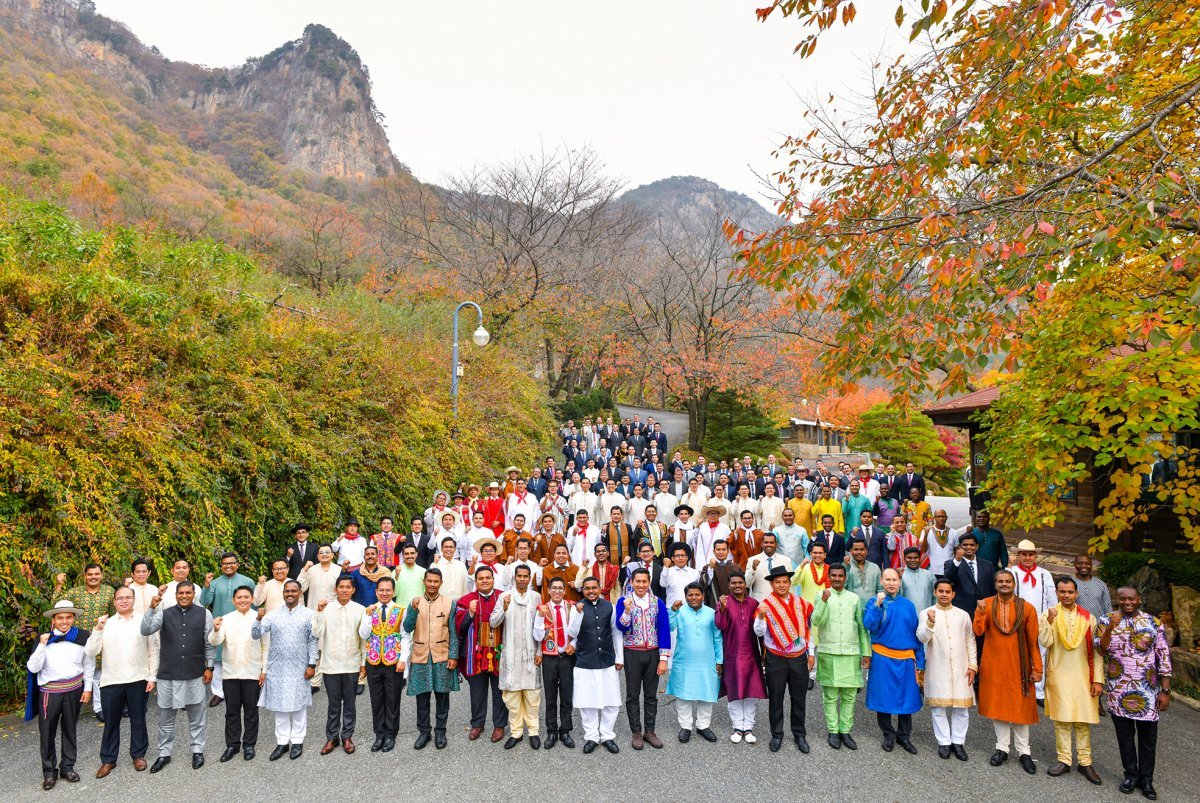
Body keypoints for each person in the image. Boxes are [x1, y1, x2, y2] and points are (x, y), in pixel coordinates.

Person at [1097, 587, 1173, 799]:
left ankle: (1147, 780)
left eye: (1131, 598)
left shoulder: (1153, 622)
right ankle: (1130, 774)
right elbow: (1101, 650)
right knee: (1125, 737)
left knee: (1148, 739)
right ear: (1117, 600)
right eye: (1123, 599)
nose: (1127, 602)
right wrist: (1110, 628)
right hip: (1118, 690)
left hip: (1148, 691)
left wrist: (1165, 690)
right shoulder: (1105, 620)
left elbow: (1163, 656)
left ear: (1138, 599)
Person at [140, 582, 215, 773]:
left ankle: (197, 750)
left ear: (193, 594)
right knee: (166, 718)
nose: (184, 596)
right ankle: (164, 753)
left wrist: (210, 667)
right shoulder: (164, 613)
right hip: (169, 673)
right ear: (175, 594)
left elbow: (209, 643)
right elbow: (145, 629)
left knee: (197, 716)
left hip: (194, 672)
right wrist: (152, 607)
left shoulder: (204, 614)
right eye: (180, 593)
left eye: (188, 592)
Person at [974, 569, 1042, 775]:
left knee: (1020, 708)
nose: (1004, 584)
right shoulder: (986, 603)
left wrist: (1037, 668)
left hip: (1019, 666)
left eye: (1008, 581)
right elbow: (978, 631)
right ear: (995, 584)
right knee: (999, 706)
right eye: (1000, 581)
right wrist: (980, 612)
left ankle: (1024, 752)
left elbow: (1033, 641)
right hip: (994, 664)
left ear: (1014, 584)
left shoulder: (1027, 608)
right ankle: (1002, 748)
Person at [85, 585, 157, 778]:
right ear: (114, 601)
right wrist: (98, 629)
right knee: (111, 722)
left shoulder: (144, 620)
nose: (124, 601)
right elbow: (91, 652)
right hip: (111, 680)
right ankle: (108, 760)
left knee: (138, 719)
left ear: (133, 600)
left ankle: (138, 755)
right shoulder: (106, 624)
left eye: (128, 597)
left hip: (138, 678)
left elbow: (153, 649)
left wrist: (152, 676)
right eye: (120, 598)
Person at [1040, 577, 1103, 784]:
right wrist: (1049, 621)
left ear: (1076, 594)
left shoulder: (1089, 618)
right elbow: (1045, 641)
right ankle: (1064, 760)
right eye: (1062, 592)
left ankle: (1085, 762)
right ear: (1057, 593)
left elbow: (1097, 651)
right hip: (1059, 674)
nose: (1066, 595)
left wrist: (1098, 680)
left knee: (1082, 721)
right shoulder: (1049, 614)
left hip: (1084, 675)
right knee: (1062, 720)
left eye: (1070, 592)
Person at [27, 600, 94, 790]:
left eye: (68, 617)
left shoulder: (81, 637)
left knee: (70, 730)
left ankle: (67, 767)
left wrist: (88, 688)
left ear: (73, 618)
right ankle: (49, 772)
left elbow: (88, 664)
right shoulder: (44, 639)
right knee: (47, 733)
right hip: (51, 692)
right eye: (60, 618)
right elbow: (33, 667)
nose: (64, 621)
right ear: (53, 620)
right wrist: (41, 645)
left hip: (74, 690)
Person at [254, 579, 319, 761]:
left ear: (299, 593)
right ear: (283, 594)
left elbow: (313, 640)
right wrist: (258, 619)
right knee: (280, 708)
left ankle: (297, 742)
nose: (290, 594)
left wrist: (312, 664)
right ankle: (282, 742)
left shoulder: (309, 614)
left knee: (298, 707)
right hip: (278, 668)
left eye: (293, 591)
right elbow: (256, 634)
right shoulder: (273, 615)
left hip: (300, 666)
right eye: (287, 591)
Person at [754, 565, 815, 754]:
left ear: (790, 583)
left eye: (785, 582)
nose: (782, 585)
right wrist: (762, 616)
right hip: (776, 658)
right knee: (776, 698)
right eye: (778, 582)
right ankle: (777, 734)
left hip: (798, 657)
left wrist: (811, 652)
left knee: (799, 698)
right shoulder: (765, 605)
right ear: (771, 584)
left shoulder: (802, 603)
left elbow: (808, 630)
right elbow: (759, 632)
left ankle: (799, 735)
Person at [864, 568, 924, 754]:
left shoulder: (908, 605)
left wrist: (920, 662)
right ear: (881, 581)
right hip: (882, 657)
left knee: (907, 698)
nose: (891, 583)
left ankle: (904, 736)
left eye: (894, 579)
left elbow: (917, 635)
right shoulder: (874, 602)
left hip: (906, 658)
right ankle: (888, 734)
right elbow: (868, 625)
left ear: (899, 582)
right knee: (884, 697)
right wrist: (877, 607)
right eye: (887, 579)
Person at [917, 578, 977, 761]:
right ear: (934, 592)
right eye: (940, 591)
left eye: (947, 591)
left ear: (953, 594)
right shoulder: (926, 613)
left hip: (961, 666)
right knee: (939, 707)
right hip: (937, 665)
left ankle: (958, 742)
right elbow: (921, 638)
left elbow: (970, 640)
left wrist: (973, 665)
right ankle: (944, 742)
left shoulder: (963, 615)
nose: (944, 594)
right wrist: (930, 624)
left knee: (961, 708)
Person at [811, 564, 869, 751]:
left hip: (851, 652)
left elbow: (861, 626)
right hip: (829, 651)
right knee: (830, 696)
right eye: (833, 575)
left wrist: (866, 652)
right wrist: (824, 602)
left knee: (850, 695)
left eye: (840, 576)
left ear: (845, 578)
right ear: (829, 577)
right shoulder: (821, 595)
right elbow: (816, 621)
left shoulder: (854, 598)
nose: (837, 578)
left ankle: (845, 730)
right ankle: (833, 731)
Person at [615, 567, 672, 750]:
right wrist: (627, 611)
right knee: (632, 694)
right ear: (631, 582)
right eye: (637, 581)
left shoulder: (657, 602)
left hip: (653, 653)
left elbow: (664, 629)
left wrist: (663, 658)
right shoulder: (624, 601)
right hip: (632, 652)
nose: (641, 585)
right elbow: (621, 627)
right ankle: (636, 732)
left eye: (644, 581)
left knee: (650, 694)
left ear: (648, 583)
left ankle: (650, 730)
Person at [403, 568, 460, 749]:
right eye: (429, 581)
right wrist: (412, 610)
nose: (432, 584)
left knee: (442, 696)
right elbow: (407, 627)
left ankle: (440, 732)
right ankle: (424, 732)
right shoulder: (415, 602)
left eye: (436, 581)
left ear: (441, 583)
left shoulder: (449, 603)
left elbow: (453, 631)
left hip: (442, 655)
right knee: (422, 697)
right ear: (424, 582)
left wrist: (453, 655)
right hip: (420, 655)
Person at [207, 584, 263, 763]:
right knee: (231, 711)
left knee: (251, 710)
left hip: (252, 672)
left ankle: (249, 744)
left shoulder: (259, 618)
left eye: (246, 597)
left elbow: (267, 646)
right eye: (239, 597)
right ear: (233, 600)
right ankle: (232, 745)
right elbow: (215, 641)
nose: (243, 600)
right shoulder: (226, 619)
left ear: (252, 599)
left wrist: (264, 670)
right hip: (230, 672)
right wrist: (215, 629)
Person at [568, 576, 624, 754]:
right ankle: (591, 736)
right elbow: (572, 633)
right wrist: (578, 614)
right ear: (582, 590)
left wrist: (619, 657)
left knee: (611, 700)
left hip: (607, 659)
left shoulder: (610, 606)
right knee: (587, 701)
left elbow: (616, 633)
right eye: (587, 589)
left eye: (594, 588)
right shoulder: (576, 608)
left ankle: (607, 735)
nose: (591, 591)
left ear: (600, 588)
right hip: (585, 660)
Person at [491, 564, 543, 749]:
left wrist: (539, 652)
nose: (522, 579)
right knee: (512, 697)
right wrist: (503, 608)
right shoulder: (504, 597)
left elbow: (540, 626)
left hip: (530, 655)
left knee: (532, 695)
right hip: (510, 654)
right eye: (519, 576)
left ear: (529, 578)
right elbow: (493, 622)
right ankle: (516, 732)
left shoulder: (536, 597)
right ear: (514, 577)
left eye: (525, 576)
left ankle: (534, 732)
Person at [313, 576, 366, 755]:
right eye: (341, 587)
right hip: (331, 665)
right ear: (336, 589)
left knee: (350, 703)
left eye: (347, 587)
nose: (344, 590)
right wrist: (319, 613)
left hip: (351, 664)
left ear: (353, 590)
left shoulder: (360, 610)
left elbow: (364, 640)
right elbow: (316, 632)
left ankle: (347, 736)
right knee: (333, 704)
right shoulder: (326, 609)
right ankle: (332, 737)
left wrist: (363, 663)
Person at [53, 563, 113, 718]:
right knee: (80, 671)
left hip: (100, 638)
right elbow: (56, 604)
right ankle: (71, 707)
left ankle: (99, 708)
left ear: (101, 575)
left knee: (99, 674)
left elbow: (114, 615)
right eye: (90, 574)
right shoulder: (75, 593)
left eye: (96, 574)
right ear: (85, 576)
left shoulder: (109, 592)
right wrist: (59, 584)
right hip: (79, 639)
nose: (93, 577)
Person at [456, 565, 508, 742]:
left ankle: (499, 725)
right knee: (477, 691)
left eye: (488, 577)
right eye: (481, 578)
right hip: (475, 654)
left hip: (498, 652)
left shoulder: (503, 597)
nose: (485, 580)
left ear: (493, 579)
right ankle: (477, 724)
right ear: (475, 581)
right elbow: (459, 628)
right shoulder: (466, 600)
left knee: (499, 691)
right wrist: (470, 612)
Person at [358, 577, 409, 753]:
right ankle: (379, 734)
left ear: (393, 592)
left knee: (393, 699)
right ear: (376, 591)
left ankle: (390, 734)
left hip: (393, 661)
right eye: (381, 590)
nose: (385, 593)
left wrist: (403, 660)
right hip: (373, 661)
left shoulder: (401, 610)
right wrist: (367, 616)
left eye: (388, 590)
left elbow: (406, 636)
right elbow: (363, 634)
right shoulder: (369, 610)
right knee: (376, 699)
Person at [667, 582, 723, 742]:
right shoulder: (680, 611)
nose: (694, 597)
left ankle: (703, 725)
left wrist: (719, 660)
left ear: (703, 596)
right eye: (690, 595)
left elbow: (717, 637)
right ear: (685, 597)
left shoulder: (712, 613)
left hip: (707, 661)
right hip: (684, 661)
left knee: (706, 693)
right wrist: (672, 611)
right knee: (683, 694)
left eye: (697, 594)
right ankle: (685, 726)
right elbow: (670, 627)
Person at [715, 571, 766, 743]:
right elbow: (720, 625)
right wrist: (721, 609)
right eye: (734, 583)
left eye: (740, 583)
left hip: (752, 654)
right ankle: (737, 727)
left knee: (752, 691)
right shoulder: (724, 602)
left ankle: (749, 727)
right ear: (729, 585)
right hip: (732, 654)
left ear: (745, 584)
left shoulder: (754, 603)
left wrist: (764, 653)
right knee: (734, 691)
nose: (737, 585)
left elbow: (760, 631)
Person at [200, 552, 254, 708]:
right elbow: (205, 602)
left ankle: (242, 687)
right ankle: (218, 693)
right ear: (221, 566)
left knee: (242, 652)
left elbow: (254, 603)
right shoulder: (215, 583)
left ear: (237, 564)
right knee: (218, 659)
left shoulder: (247, 581)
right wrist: (206, 586)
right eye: (225, 563)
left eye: (231, 563)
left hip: (243, 624)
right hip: (221, 623)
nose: (228, 566)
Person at [1012, 539, 1055, 701]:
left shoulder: (1045, 574)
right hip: (1019, 621)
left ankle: (1039, 692)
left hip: (1041, 620)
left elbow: (1051, 599)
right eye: (1024, 554)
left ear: (1035, 556)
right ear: (1019, 555)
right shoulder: (1013, 572)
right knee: (1019, 653)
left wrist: (1051, 619)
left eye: (1031, 554)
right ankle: (1020, 686)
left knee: (1041, 654)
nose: (1028, 558)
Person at [538, 577, 577, 750]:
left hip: (567, 657)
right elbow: (537, 636)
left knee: (567, 695)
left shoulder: (572, 607)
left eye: (560, 588)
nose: (557, 591)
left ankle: (565, 730)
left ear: (564, 590)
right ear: (548, 590)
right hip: (549, 657)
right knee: (551, 695)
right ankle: (551, 730)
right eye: (554, 588)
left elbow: (578, 630)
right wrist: (540, 618)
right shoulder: (542, 609)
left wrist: (573, 645)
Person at [943, 532, 996, 613]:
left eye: (972, 545)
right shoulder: (951, 564)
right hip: (961, 609)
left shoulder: (988, 565)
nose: (969, 547)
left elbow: (993, 588)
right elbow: (947, 580)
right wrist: (957, 560)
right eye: (965, 545)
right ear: (959, 546)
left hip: (984, 608)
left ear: (977, 546)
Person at [745, 532, 795, 601]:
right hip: (760, 602)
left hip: (781, 602)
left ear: (776, 544)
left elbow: (790, 584)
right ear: (762, 544)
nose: (769, 545)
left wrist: (791, 601)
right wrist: (753, 569)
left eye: (771, 542)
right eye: (766, 542)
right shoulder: (752, 560)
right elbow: (747, 584)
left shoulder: (786, 560)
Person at [923, 509, 965, 579]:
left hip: (949, 569)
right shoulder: (927, 531)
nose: (941, 519)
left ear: (946, 517)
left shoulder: (954, 532)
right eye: (938, 517)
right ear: (934, 518)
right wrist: (925, 535)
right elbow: (923, 550)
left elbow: (956, 551)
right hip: (932, 570)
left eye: (943, 516)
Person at [1072, 554, 1112, 620]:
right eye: (1080, 563)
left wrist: (1108, 625)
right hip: (1076, 626)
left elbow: (1108, 608)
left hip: (1097, 625)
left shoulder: (1101, 584)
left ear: (1091, 565)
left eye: (1087, 563)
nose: (1084, 566)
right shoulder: (1069, 584)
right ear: (1075, 565)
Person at [662, 543, 702, 608]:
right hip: (672, 609)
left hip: (690, 609)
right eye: (677, 556)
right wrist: (666, 567)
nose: (680, 558)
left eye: (683, 555)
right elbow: (663, 584)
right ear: (672, 558)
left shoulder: (695, 573)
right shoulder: (667, 571)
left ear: (687, 557)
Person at [844, 538, 882, 603]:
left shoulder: (875, 568)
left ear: (866, 551)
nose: (859, 552)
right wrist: (846, 568)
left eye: (862, 549)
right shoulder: (845, 566)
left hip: (871, 608)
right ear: (850, 551)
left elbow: (880, 589)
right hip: (852, 607)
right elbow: (842, 587)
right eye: (856, 549)